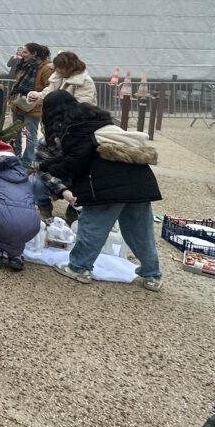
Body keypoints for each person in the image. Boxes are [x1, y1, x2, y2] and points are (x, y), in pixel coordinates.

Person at [39, 90, 163, 291]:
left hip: (108, 187)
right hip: (140, 182)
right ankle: (152, 274)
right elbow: (77, 155)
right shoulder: (98, 124)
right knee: (140, 231)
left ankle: (79, 267)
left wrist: (47, 169)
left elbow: (73, 164)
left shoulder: (74, 130)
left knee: (93, 226)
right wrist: (45, 166)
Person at [0, 141, 40, 271]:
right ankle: (16, 256)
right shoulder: (25, 177)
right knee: (19, 219)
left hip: (3, 220)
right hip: (31, 224)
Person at [8, 42, 52, 167]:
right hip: (18, 104)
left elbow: (49, 87)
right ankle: (16, 156)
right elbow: (17, 83)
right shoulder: (23, 65)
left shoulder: (45, 68)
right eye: (23, 52)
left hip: (32, 107)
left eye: (26, 52)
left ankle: (27, 161)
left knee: (29, 135)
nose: (22, 54)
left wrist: (35, 96)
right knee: (15, 132)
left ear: (34, 54)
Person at [30, 51, 97, 105]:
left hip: (74, 121)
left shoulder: (84, 81)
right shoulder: (58, 77)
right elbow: (48, 94)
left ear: (71, 67)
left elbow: (82, 106)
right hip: (54, 119)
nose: (58, 70)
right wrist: (36, 96)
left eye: (61, 68)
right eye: (56, 67)